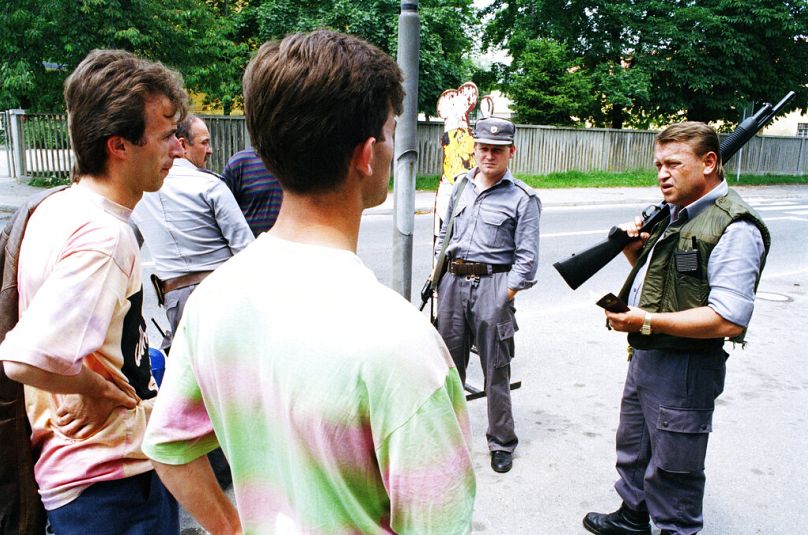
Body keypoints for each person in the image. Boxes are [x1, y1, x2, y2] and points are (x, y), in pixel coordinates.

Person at [142, 30, 476, 534]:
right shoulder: (402, 347)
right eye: (389, 131)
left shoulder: (214, 299)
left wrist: (232, 528)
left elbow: (168, 445)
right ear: (366, 154)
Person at [0, 49, 187, 534]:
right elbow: (24, 358)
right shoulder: (104, 236)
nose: (179, 150)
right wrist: (95, 389)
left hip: (87, 483)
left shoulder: (57, 206)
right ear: (119, 145)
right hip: (112, 487)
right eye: (167, 137)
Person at [584, 122, 770, 535]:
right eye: (658, 165)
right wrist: (635, 254)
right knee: (635, 448)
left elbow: (728, 318)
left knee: (675, 467)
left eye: (673, 164)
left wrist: (644, 321)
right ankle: (633, 516)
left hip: (687, 368)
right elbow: (671, 286)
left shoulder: (735, 228)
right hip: (650, 354)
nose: (662, 174)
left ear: (708, 163)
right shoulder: (677, 214)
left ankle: (676, 529)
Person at [435, 116, 541, 474]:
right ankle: (446, 440)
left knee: (496, 368)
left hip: (493, 287)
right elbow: (444, 236)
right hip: (452, 283)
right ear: (474, 149)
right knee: (449, 368)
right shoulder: (461, 186)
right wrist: (438, 277)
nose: (489, 155)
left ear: (511, 152)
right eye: (483, 148)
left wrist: (505, 293)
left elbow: (527, 261)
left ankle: (501, 442)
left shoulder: (523, 198)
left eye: (498, 150)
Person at [131, 115, 253, 350]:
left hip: (176, 302)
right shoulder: (210, 185)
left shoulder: (142, 193)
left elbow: (128, 245)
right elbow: (245, 249)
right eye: (204, 143)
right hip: (221, 293)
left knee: (192, 376)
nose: (210, 150)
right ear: (182, 145)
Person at [222, 148, 283, 236]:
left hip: (294, 246)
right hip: (250, 246)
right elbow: (221, 211)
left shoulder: (299, 163)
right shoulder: (239, 163)